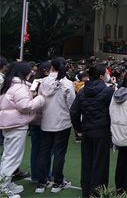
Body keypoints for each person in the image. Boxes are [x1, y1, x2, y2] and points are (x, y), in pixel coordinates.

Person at [0, 62, 46, 198]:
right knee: (12, 158)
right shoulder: (19, 86)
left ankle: (6, 184)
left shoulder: (7, 84)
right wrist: (40, 99)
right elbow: (25, 106)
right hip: (17, 125)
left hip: (9, 124)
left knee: (8, 155)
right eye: (29, 71)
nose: (31, 73)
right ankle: (3, 189)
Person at [70, 63, 114, 198]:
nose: (107, 75)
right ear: (101, 76)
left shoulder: (82, 90)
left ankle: (86, 192)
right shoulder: (107, 91)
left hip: (87, 130)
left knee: (87, 162)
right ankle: (97, 193)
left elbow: (74, 111)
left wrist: (78, 128)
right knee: (100, 164)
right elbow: (113, 112)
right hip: (101, 130)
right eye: (106, 73)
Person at [35, 57, 76, 194]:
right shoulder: (67, 83)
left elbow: (39, 100)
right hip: (62, 122)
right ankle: (58, 182)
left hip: (46, 121)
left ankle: (41, 182)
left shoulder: (43, 82)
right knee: (59, 153)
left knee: (44, 151)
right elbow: (71, 103)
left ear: (51, 67)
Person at [29, 61, 50, 185]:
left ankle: (35, 175)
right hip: (44, 117)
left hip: (34, 117)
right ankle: (45, 174)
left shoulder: (34, 81)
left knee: (36, 147)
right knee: (46, 148)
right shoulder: (46, 82)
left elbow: (30, 95)